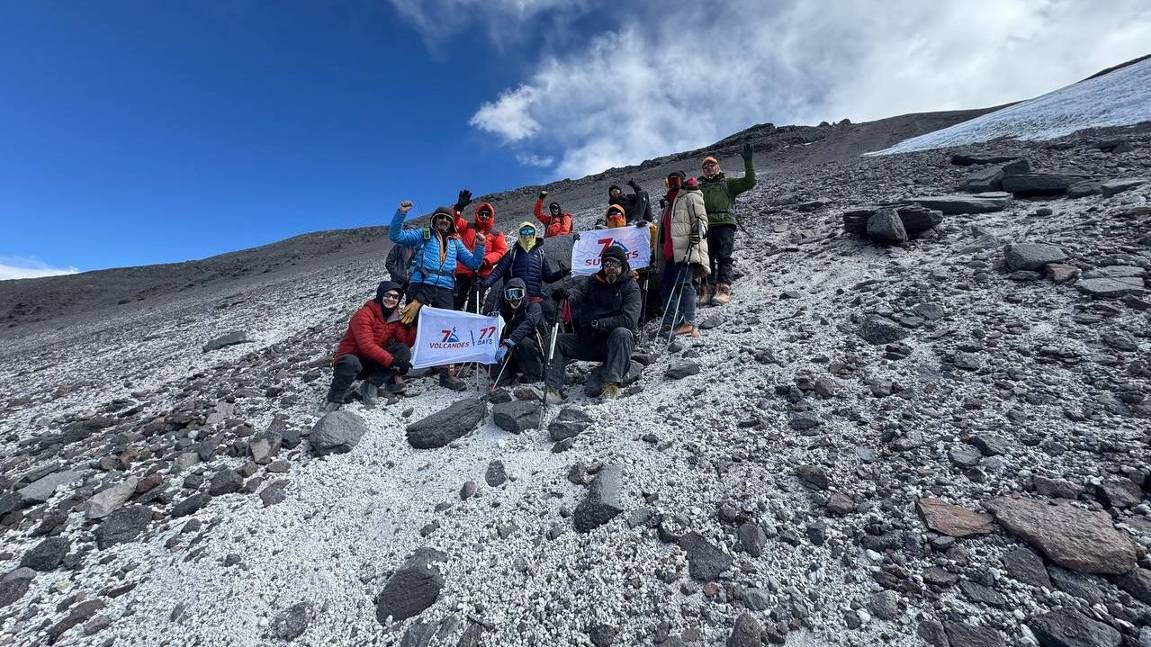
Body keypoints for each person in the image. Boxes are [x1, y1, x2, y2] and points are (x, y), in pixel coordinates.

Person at [389, 200, 485, 391]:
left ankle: (445, 374)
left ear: (451, 222)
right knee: (408, 327)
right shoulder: (423, 235)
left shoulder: (455, 242)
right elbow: (396, 235)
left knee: (446, 331)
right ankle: (394, 373)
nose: (443, 220)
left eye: (447, 218)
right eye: (440, 217)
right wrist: (401, 213)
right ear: (434, 220)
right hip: (420, 285)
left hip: (445, 289)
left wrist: (480, 246)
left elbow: (474, 263)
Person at [545, 245, 640, 402]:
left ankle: (611, 385)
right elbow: (579, 293)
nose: (611, 268)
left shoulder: (631, 287)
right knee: (555, 341)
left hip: (615, 344)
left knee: (622, 333)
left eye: (615, 264)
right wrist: (567, 295)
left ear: (622, 265)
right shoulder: (593, 281)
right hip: (591, 340)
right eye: (607, 264)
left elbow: (629, 320)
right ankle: (553, 389)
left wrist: (598, 323)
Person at [320, 281, 414, 413]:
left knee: (402, 350)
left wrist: (414, 325)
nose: (391, 299)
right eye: (387, 295)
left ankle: (370, 385)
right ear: (380, 295)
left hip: (372, 361)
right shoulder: (364, 314)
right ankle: (333, 398)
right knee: (350, 362)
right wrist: (392, 361)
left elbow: (405, 341)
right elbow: (366, 346)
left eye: (395, 297)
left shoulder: (394, 316)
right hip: (353, 359)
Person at [700, 143, 757, 305]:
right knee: (707, 258)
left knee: (724, 257)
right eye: (705, 166)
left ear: (718, 167)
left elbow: (750, 182)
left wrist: (748, 162)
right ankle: (708, 289)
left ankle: (723, 288)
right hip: (706, 226)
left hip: (725, 224)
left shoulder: (728, 183)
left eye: (712, 165)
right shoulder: (699, 188)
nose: (709, 168)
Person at [657, 172, 709, 337]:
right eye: (670, 181)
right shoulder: (666, 206)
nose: (673, 184)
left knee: (684, 284)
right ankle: (672, 321)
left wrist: (698, 232)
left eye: (676, 180)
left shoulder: (690, 196)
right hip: (670, 253)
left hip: (686, 248)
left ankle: (688, 322)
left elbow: (701, 219)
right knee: (665, 287)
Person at [482, 222, 567, 304]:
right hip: (514, 297)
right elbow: (499, 271)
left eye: (530, 232)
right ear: (520, 235)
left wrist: (563, 272)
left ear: (534, 234)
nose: (527, 235)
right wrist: (485, 284)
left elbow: (548, 277)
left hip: (534, 298)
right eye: (524, 232)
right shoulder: (513, 252)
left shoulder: (540, 254)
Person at [452, 196, 508, 311]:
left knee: (475, 303)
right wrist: (458, 208)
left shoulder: (497, 234)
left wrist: (485, 261)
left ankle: (472, 326)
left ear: (491, 216)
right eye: (481, 213)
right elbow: (452, 222)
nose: (484, 216)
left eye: (487, 214)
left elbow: (500, 252)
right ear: (477, 214)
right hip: (463, 271)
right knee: (456, 301)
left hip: (481, 274)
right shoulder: (467, 226)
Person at [491, 278, 546, 385]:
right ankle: (507, 378)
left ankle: (534, 375)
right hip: (509, 350)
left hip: (531, 349)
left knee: (523, 342)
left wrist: (511, 341)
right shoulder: (505, 310)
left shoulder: (534, 307)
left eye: (517, 293)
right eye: (510, 294)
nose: (514, 298)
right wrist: (493, 319)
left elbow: (528, 324)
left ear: (524, 293)